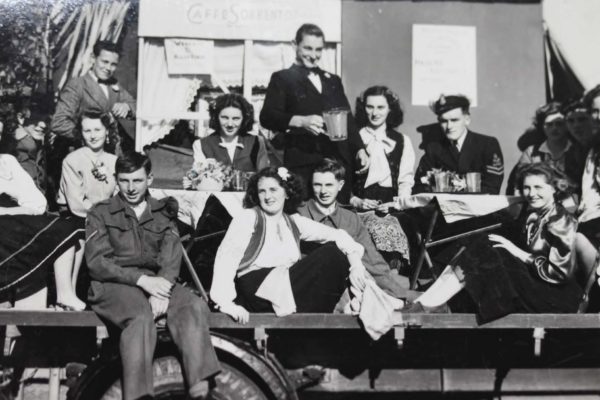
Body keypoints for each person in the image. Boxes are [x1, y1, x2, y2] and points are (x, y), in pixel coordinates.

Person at [85, 153, 220, 400]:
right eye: (124, 180)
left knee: (193, 305)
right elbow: (97, 263)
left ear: (150, 178)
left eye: (137, 180)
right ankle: (139, 396)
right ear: (116, 180)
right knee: (139, 316)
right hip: (113, 284)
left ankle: (199, 386)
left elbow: (172, 253)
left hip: (157, 280)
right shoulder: (100, 213)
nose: (131, 187)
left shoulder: (162, 212)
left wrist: (164, 289)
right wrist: (142, 281)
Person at [405, 163, 582, 323]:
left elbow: (559, 273)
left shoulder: (562, 221)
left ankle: (428, 304)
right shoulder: (533, 215)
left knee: (487, 249)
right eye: (527, 188)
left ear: (555, 189)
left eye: (538, 187)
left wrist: (516, 251)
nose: (532, 194)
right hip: (533, 283)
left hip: (552, 295)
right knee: (480, 242)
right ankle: (427, 302)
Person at [210, 166, 369, 323]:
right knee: (331, 255)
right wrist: (225, 302)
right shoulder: (249, 217)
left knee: (336, 255)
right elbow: (227, 257)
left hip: (285, 285)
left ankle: (316, 329)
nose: (268, 196)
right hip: (257, 288)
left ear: (286, 193)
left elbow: (339, 236)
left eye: (273, 190)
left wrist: (356, 266)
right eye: (262, 191)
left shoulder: (293, 221)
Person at [259, 23, 368, 202]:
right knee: (305, 220)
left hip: (336, 163)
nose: (314, 55)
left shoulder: (333, 80)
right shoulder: (282, 78)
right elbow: (267, 116)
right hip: (303, 164)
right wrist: (300, 121)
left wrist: (360, 149)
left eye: (318, 50)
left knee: (338, 220)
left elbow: (347, 119)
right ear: (295, 45)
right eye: (308, 48)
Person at [297, 158, 413, 299]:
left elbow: (372, 260)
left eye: (329, 185)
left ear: (340, 185)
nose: (323, 191)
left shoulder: (351, 218)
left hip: (350, 286)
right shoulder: (300, 215)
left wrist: (398, 294)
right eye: (317, 185)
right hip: (312, 289)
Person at [0, 138, 85, 311]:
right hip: (6, 229)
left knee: (67, 226)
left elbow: (37, 202)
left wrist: (14, 210)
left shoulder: (7, 161)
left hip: (13, 224)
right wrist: (14, 210)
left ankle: (65, 293)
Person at [49, 40, 135, 207]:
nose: (108, 68)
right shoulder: (78, 85)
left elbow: (137, 105)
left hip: (110, 157)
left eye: (113, 64)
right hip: (84, 156)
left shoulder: (114, 86)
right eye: (104, 61)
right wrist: (88, 135)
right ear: (92, 59)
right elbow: (58, 122)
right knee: (86, 205)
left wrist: (127, 106)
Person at [413, 94, 504, 194]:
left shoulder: (487, 145)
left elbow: (492, 188)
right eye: (444, 121)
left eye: (454, 120)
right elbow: (419, 187)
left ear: (467, 119)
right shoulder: (434, 149)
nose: (449, 126)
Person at [351, 85, 415, 210]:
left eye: (380, 107)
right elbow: (341, 179)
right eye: (370, 107)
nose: (375, 113)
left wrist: (397, 205)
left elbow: (405, 181)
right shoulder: (354, 139)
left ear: (390, 109)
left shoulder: (403, 140)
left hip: (391, 205)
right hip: (360, 206)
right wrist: (356, 201)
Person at [57, 112, 117, 221]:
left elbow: (118, 196)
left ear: (107, 131)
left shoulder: (114, 161)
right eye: (87, 131)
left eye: (97, 130)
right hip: (77, 217)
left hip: (108, 217)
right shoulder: (72, 160)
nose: (93, 136)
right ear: (81, 133)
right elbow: (77, 202)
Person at [506, 102, 574, 194]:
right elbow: (519, 184)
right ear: (542, 127)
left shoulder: (577, 150)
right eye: (549, 124)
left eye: (559, 123)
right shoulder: (531, 152)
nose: (554, 128)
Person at [193, 93, 269, 172]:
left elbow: (263, 176)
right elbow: (198, 178)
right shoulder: (201, 145)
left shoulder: (257, 142)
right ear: (216, 117)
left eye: (236, 118)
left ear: (244, 119)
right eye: (225, 118)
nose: (230, 124)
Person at [13, 114, 47, 191]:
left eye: (47, 119)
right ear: (20, 118)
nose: (44, 125)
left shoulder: (40, 141)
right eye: (36, 119)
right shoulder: (12, 144)